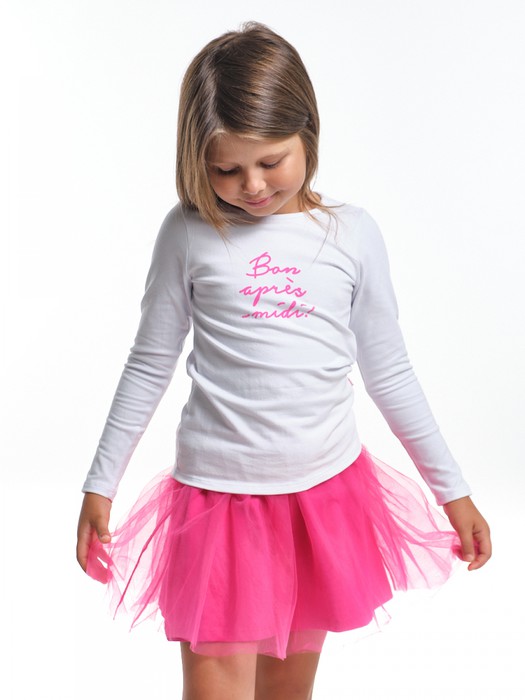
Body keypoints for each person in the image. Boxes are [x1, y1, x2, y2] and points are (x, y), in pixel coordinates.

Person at [76, 21, 491, 700]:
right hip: (218, 504)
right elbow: (149, 362)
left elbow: (389, 371)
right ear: (197, 160)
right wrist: (101, 483)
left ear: (307, 134)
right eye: (226, 169)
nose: (252, 185)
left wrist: (453, 490)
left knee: (287, 691)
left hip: (322, 500)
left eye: (271, 161)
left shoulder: (350, 234)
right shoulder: (189, 233)